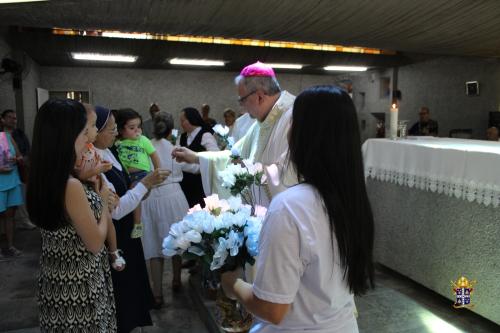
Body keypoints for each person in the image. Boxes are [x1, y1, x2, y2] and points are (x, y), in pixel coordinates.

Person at [221, 85, 375, 333]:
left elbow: (272, 309)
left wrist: (233, 284)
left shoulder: (290, 206)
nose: (289, 130)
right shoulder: (352, 198)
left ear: (308, 135)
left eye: (293, 122)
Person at [27, 99, 116, 331]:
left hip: (56, 281)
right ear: (68, 134)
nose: (88, 136)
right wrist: (103, 200)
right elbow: (96, 243)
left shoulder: (43, 175)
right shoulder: (72, 186)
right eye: (84, 130)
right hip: (80, 286)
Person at [173, 61, 296, 207]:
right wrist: (196, 157)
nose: (241, 107)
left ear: (259, 97)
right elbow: (234, 155)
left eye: (242, 100)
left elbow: (291, 176)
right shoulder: (260, 123)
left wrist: (246, 168)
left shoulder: (294, 117)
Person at [93, 106, 170, 333]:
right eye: (112, 129)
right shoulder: (94, 162)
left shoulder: (111, 152)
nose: (116, 133)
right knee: (122, 295)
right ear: (95, 132)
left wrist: (143, 188)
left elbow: (128, 190)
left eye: (117, 128)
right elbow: (115, 209)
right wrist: (145, 184)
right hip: (117, 230)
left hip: (127, 231)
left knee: (133, 285)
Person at [142, 111, 190, 307]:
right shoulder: (176, 148)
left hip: (151, 194)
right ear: (171, 129)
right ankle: (177, 279)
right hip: (174, 195)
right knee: (176, 239)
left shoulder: (145, 147)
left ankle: (157, 293)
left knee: (154, 244)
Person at [75, 104, 125, 271]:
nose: (95, 130)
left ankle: (114, 251)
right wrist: (103, 198)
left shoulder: (92, 149)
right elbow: (83, 175)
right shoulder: (79, 155)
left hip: (99, 187)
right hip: (96, 189)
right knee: (108, 220)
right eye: (93, 125)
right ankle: (113, 251)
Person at [115, 108, 160, 238]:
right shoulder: (118, 143)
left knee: (134, 192)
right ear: (121, 130)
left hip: (142, 174)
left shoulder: (143, 140)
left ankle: (138, 223)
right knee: (132, 195)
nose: (137, 130)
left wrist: (157, 172)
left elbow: (154, 155)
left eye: (139, 126)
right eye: (132, 127)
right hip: (127, 176)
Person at [178, 107, 219, 208]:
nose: (181, 124)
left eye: (183, 120)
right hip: (185, 184)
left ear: (192, 119)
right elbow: (176, 160)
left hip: (201, 184)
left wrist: (197, 168)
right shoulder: (181, 138)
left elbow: (215, 157)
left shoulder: (205, 135)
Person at [1, 109, 35, 230]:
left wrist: (22, 159)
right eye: (9, 117)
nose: (13, 120)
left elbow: (27, 149)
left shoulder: (19, 133)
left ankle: (23, 220)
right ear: (3, 119)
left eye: (14, 118)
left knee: (21, 197)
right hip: (2, 174)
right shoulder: (1, 135)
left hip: (18, 169)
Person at [0, 128, 24, 257]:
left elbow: (19, 156)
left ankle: (10, 246)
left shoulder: (7, 136)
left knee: (10, 215)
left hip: (12, 180)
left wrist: (16, 159)